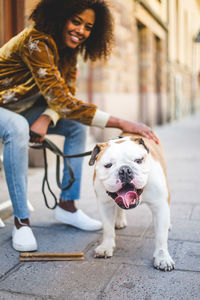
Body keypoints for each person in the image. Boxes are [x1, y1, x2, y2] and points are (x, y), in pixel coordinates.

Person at [0, 0, 158, 252]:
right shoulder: (36, 41)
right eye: (76, 21)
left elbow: (66, 95)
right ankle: (22, 220)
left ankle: (67, 205)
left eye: (88, 26)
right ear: (60, 16)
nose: (81, 30)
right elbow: (62, 100)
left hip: (19, 109)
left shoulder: (68, 51)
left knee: (74, 125)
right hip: (5, 110)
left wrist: (46, 118)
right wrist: (121, 121)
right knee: (18, 126)